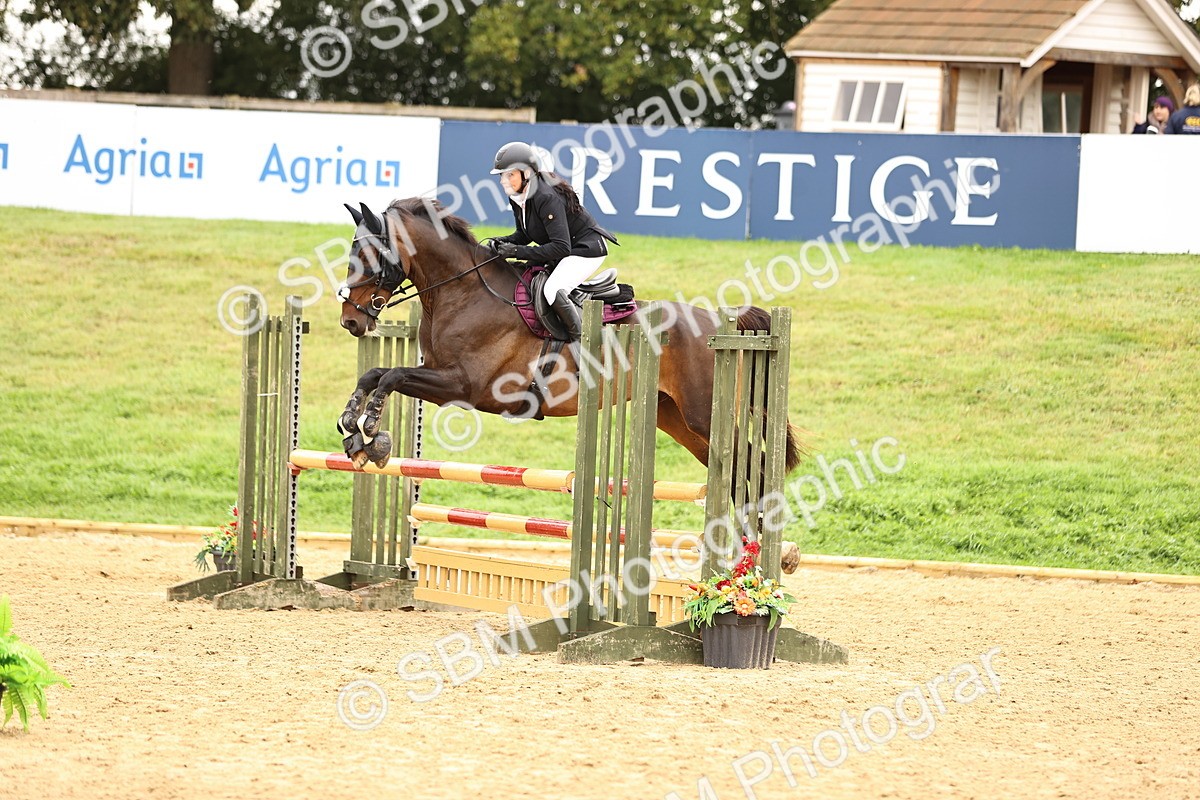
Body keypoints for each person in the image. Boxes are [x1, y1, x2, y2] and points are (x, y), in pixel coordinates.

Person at [489, 141, 618, 340]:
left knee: (552, 290)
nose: (503, 181)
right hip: (567, 248)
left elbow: (561, 247)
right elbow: (525, 234)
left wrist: (516, 252)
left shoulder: (545, 197)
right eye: (501, 176)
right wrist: (501, 242)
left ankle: (580, 343)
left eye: (509, 175)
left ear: (526, 173)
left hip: (587, 250)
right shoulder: (518, 195)